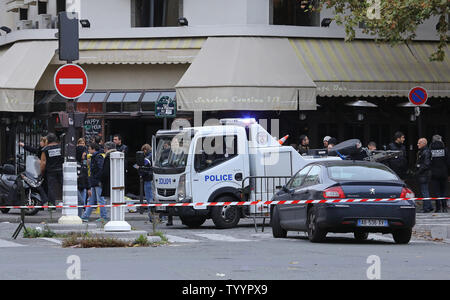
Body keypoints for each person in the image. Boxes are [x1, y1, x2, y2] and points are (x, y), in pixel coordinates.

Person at [82, 143, 108, 222]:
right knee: (91, 199)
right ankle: (85, 216)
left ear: (93, 149)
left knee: (100, 199)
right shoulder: (96, 156)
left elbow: (100, 169)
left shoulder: (97, 157)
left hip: (96, 181)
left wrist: (96, 178)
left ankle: (104, 217)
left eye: (89, 149)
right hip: (94, 181)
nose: (88, 151)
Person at [40, 133, 64, 206]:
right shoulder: (61, 147)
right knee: (64, 186)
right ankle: (67, 203)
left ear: (48, 140)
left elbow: (43, 162)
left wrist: (41, 172)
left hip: (50, 171)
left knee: (51, 188)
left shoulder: (45, 149)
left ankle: (51, 206)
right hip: (61, 169)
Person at [429, 135, 450, 213]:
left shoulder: (430, 150)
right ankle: (444, 207)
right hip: (444, 173)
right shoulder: (445, 150)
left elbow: (429, 162)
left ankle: (438, 208)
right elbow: (448, 163)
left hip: (434, 173)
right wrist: (448, 174)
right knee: (443, 191)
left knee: (436, 191)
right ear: (441, 140)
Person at [416, 138, 433, 213]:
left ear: (424, 143)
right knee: (425, 190)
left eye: (419, 143)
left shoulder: (425, 151)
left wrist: (419, 169)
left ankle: (426, 208)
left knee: (424, 191)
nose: (417, 144)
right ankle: (429, 206)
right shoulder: (423, 151)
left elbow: (426, 164)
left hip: (424, 174)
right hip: (424, 174)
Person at [100, 142, 117, 215]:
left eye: (104, 148)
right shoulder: (117, 156)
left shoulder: (108, 157)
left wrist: (101, 178)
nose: (104, 150)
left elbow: (105, 172)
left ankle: (108, 217)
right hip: (117, 182)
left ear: (107, 149)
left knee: (108, 201)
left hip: (108, 183)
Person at [76, 139, 89, 217]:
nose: (85, 155)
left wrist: (88, 188)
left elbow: (86, 175)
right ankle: (78, 216)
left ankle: (80, 217)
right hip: (77, 186)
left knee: (82, 202)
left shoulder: (84, 162)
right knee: (80, 201)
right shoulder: (75, 163)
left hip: (83, 185)